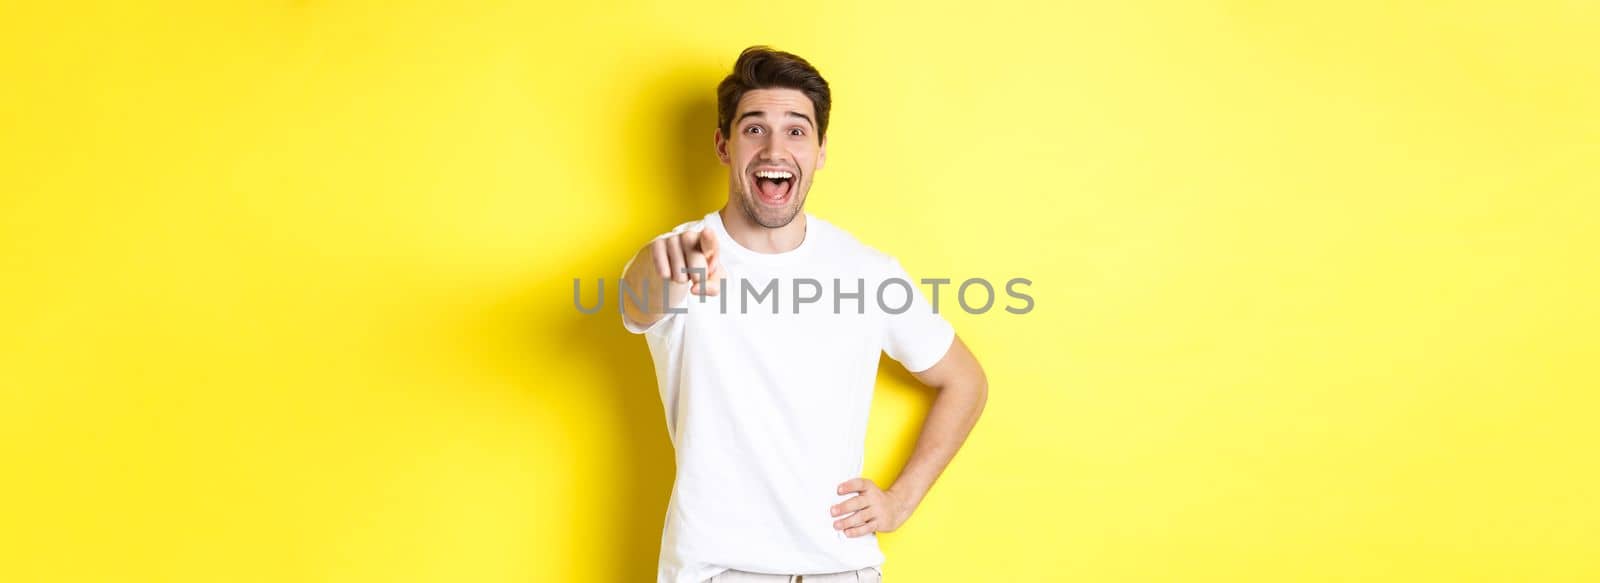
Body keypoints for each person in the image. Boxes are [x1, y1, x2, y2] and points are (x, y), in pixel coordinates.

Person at [620, 46, 988, 583]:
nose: (775, 147)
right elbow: (637, 299)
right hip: (717, 572)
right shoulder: (680, 255)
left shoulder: (868, 272)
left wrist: (900, 501)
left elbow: (966, 381)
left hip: (840, 570)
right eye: (753, 129)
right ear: (724, 145)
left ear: (819, 152)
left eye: (796, 131)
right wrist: (668, 267)